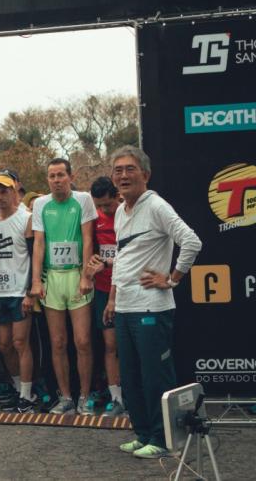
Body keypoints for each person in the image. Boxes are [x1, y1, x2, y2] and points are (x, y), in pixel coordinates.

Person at [103, 146, 201, 459]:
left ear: (145, 174)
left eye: (130, 169)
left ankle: (163, 439)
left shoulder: (156, 205)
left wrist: (171, 279)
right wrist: (113, 297)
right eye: (118, 170)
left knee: (155, 377)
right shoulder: (120, 210)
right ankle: (143, 433)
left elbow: (192, 241)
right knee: (130, 377)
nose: (123, 175)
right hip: (125, 307)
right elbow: (122, 259)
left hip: (152, 308)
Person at [31, 158, 97, 415]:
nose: (56, 180)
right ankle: (66, 397)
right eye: (51, 176)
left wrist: (85, 275)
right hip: (52, 278)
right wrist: (36, 280)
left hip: (76, 276)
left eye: (60, 175)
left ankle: (85, 396)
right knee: (57, 342)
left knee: (82, 341)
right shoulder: (40, 204)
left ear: (70, 176)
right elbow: (39, 243)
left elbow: (88, 237)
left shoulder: (83, 200)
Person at [0, 173, 37, 413]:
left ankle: (28, 393)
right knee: (4, 344)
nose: (0, 196)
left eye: (4, 191)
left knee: (20, 342)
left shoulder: (26, 218)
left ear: (15, 191)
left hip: (20, 289)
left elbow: (36, 257)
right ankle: (16, 389)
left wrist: (31, 291)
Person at [84, 177, 126, 418]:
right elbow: (92, 250)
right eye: (99, 206)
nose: (104, 210)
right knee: (110, 344)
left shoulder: (127, 215)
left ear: (117, 196)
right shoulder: (95, 220)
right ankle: (116, 396)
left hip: (127, 288)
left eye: (107, 205)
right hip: (102, 289)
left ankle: (134, 393)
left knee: (127, 346)